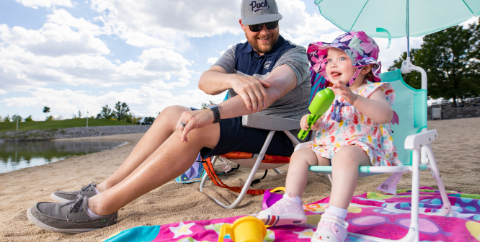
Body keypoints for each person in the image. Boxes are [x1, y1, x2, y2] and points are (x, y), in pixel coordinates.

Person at [26, 0, 311, 233]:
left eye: (270, 23)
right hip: (246, 128)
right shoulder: (238, 52)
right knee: (172, 113)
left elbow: (268, 92)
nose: (264, 31)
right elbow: (206, 80)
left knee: (193, 129)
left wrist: (211, 113)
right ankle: (104, 187)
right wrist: (234, 81)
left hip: (279, 136)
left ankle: (100, 209)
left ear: (278, 22)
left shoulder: (295, 55)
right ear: (242, 25)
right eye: (255, 25)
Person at [256, 31, 402, 242]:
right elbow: (325, 122)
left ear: (366, 67)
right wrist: (311, 121)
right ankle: (291, 202)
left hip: (363, 149)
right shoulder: (328, 94)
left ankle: (335, 218)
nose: (332, 64)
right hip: (331, 148)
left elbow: (384, 115)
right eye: (330, 60)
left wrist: (354, 98)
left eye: (342, 58)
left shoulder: (370, 90)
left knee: (345, 155)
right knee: (301, 152)